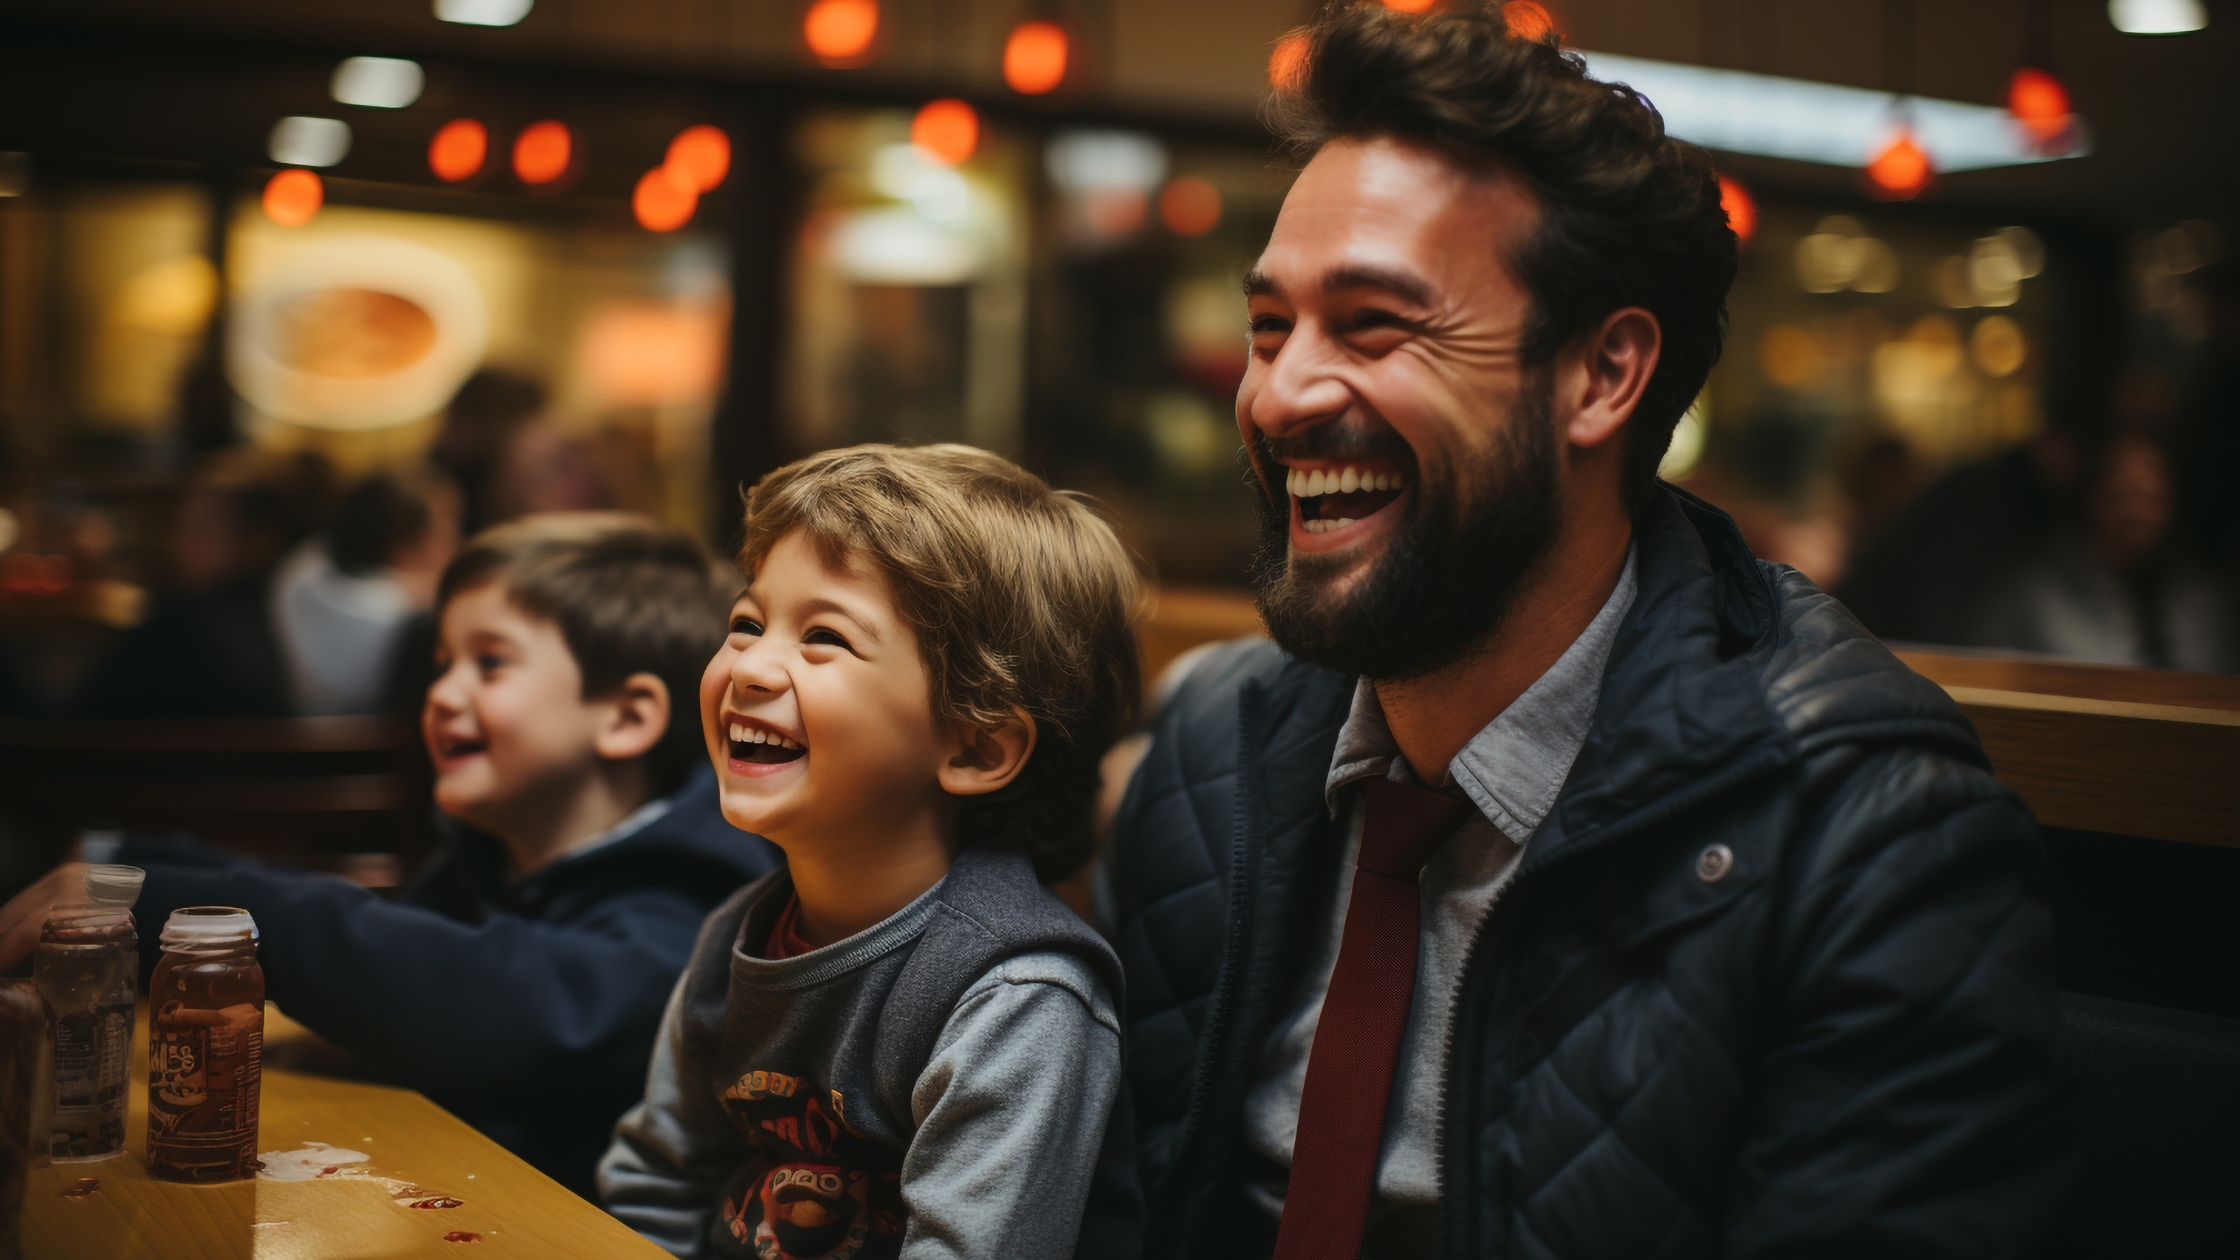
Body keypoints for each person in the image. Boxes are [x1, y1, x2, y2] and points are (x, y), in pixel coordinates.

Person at [1101, 6, 2075, 1260]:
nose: (1278, 393)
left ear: (1601, 376)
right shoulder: (1206, 746)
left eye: (1375, 324)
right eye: (1269, 326)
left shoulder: (1868, 839)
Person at [0, 513, 782, 1195]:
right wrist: (127, 860)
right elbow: (390, 948)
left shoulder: (697, 902)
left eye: (491, 662)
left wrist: (164, 898)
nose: (441, 692)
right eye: (443, 662)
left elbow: (509, 1010)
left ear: (626, 716)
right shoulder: (492, 859)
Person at [599, 445, 1139, 1260]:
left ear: (977, 748)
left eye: (824, 637)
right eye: (747, 623)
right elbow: (656, 1186)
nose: (750, 666)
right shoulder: (734, 940)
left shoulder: (1016, 993)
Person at [1972, 432, 2236, 672]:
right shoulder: (2032, 596)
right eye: (2125, 495)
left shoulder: (2198, 599)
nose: (2139, 514)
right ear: (2092, 496)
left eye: (2154, 498)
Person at [271, 465, 463, 715]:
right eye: (447, 534)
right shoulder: (413, 625)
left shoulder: (299, 568)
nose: (459, 546)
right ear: (404, 552)